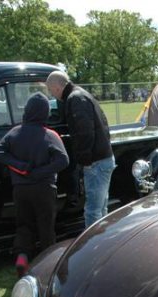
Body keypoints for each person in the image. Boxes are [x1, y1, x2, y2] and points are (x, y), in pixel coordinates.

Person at [0, 92, 69, 276]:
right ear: (45, 113)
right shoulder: (50, 134)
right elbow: (63, 160)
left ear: (26, 111)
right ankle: (47, 268)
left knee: (24, 225)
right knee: (46, 227)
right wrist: (40, 172)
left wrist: (21, 167)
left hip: (20, 189)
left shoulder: (14, 132)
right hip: (44, 188)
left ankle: (22, 258)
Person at [45, 71, 116, 227]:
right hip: (103, 158)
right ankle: (102, 239)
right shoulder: (81, 95)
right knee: (101, 208)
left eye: (50, 90)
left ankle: (93, 246)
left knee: (92, 210)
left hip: (96, 162)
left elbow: (85, 132)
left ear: (57, 87)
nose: (51, 94)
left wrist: (85, 160)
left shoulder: (75, 99)